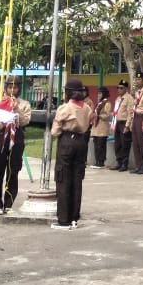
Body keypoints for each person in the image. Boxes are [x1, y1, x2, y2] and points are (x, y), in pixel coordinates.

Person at [51, 77, 93, 230]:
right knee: (77, 180)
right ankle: (74, 218)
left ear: (68, 92)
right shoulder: (87, 108)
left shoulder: (64, 108)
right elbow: (89, 124)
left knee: (63, 179)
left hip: (67, 141)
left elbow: (55, 131)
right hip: (81, 142)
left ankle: (63, 219)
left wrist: (58, 132)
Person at [0, 77, 33, 214]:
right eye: (9, 87)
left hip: (17, 135)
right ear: (6, 88)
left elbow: (26, 120)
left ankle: (8, 202)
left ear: (19, 88)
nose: (12, 90)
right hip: (2, 134)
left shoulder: (24, 104)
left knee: (13, 168)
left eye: (15, 88)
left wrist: (16, 110)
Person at [111, 79, 133, 171]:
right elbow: (115, 112)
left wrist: (127, 126)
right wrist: (113, 123)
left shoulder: (129, 98)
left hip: (124, 123)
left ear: (125, 89)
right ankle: (119, 162)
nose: (119, 90)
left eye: (121, 88)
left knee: (125, 144)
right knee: (118, 144)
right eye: (118, 88)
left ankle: (124, 164)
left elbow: (130, 113)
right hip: (117, 122)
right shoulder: (118, 98)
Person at [90, 86, 111, 168]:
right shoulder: (99, 103)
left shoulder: (107, 103)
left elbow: (107, 115)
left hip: (102, 126)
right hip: (96, 126)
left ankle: (101, 162)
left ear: (104, 94)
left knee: (101, 145)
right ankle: (97, 161)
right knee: (96, 144)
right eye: (98, 93)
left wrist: (98, 115)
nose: (98, 95)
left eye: (100, 93)